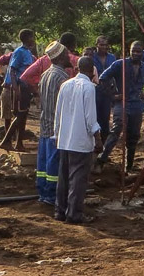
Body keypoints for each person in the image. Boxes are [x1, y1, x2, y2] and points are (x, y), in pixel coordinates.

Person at [53, 52, 100, 224]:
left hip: (65, 139)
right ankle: (74, 214)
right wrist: (98, 138)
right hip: (80, 141)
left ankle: (60, 211)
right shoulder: (88, 88)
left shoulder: (65, 85)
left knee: (64, 177)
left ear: (77, 68)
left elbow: (57, 113)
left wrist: (57, 134)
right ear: (92, 71)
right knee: (78, 179)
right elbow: (90, 118)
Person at [97, 42, 144, 171]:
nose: (135, 54)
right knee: (117, 129)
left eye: (138, 52)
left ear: (142, 53)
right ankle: (102, 159)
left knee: (133, 136)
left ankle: (129, 166)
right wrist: (113, 95)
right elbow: (103, 78)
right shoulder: (120, 64)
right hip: (122, 103)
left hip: (137, 105)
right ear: (129, 51)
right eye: (133, 51)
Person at [37, 43, 74, 204]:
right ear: (59, 57)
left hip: (45, 126)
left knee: (43, 163)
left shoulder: (45, 74)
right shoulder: (62, 78)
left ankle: (43, 193)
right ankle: (52, 195)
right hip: (56, 129)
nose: (69, 56)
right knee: (54, 164)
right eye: (66, 54)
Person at [0, 29, 37, 151]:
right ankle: (6, 141)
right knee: (20, 114)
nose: (34, 40)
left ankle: (19, 143)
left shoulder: (28, 53)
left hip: (26, 87)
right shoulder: (19, 52)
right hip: (19, 86)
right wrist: (16, 88)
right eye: (32, 37)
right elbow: (13, 69)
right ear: (27, 38)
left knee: (24, 114)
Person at [92, 36, 118, 143]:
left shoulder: (112, 58)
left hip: (107, 92)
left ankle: (104, 146)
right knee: (94, 117)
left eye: (106, 45)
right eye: (101, 44)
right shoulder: (92, 57)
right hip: (94, 91)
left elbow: (115, 73)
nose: (104, 47)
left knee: (105, 119)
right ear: (97, 45)